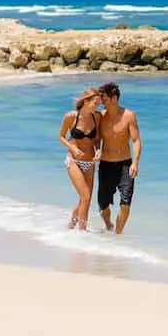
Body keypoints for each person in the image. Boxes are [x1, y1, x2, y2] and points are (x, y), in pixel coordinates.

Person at [95, 81, 141, 234]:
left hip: (125, 165)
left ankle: (117, 236)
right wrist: (97, 150)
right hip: (106, 165)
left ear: (114, 98)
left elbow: (136, 140)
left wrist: (135, 162)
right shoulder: (101, 117)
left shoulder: (129, 116)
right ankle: (108, 225)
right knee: (102, 204)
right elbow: (96, 140)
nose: (102, 103)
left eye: (104, 99)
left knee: (126, 203)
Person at [58, 88, 102, 230]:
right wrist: (72, 148)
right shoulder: (71, 116)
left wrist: (98, 150)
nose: (98, 106)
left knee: (85, 199)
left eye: (99, 103)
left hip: (89, 162)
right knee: (86, 197)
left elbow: (96, 139)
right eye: (95, 103)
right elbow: (61, 137)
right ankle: (82, 232)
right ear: (86, 101)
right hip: (73, 161)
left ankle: (70, 226)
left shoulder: (97, 117)